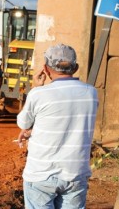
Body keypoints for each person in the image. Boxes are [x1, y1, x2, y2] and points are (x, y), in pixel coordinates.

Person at [16, 43, 99, 209]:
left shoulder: (38, 94)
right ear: (75, 68)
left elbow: (23, 123)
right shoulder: (91, 93)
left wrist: (35, 87)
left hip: (41, 174)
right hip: (75, 173)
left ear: (46, 69)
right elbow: (69, 120)